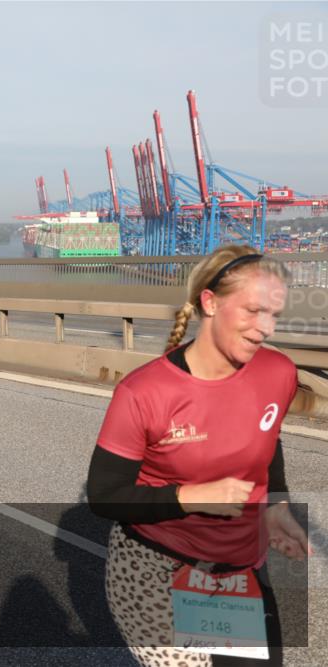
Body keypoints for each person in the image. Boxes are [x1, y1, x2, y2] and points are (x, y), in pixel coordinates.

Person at [87, 245, 310, 667]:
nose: (265, 328)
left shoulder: (278, 372)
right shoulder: (144, 392)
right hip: (159, 573)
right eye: (252, 311)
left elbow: (267, 438)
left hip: (236, 571)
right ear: (210, 302)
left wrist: (275, 505)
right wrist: (192, 496)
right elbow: (103, 496)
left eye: (273, 315)